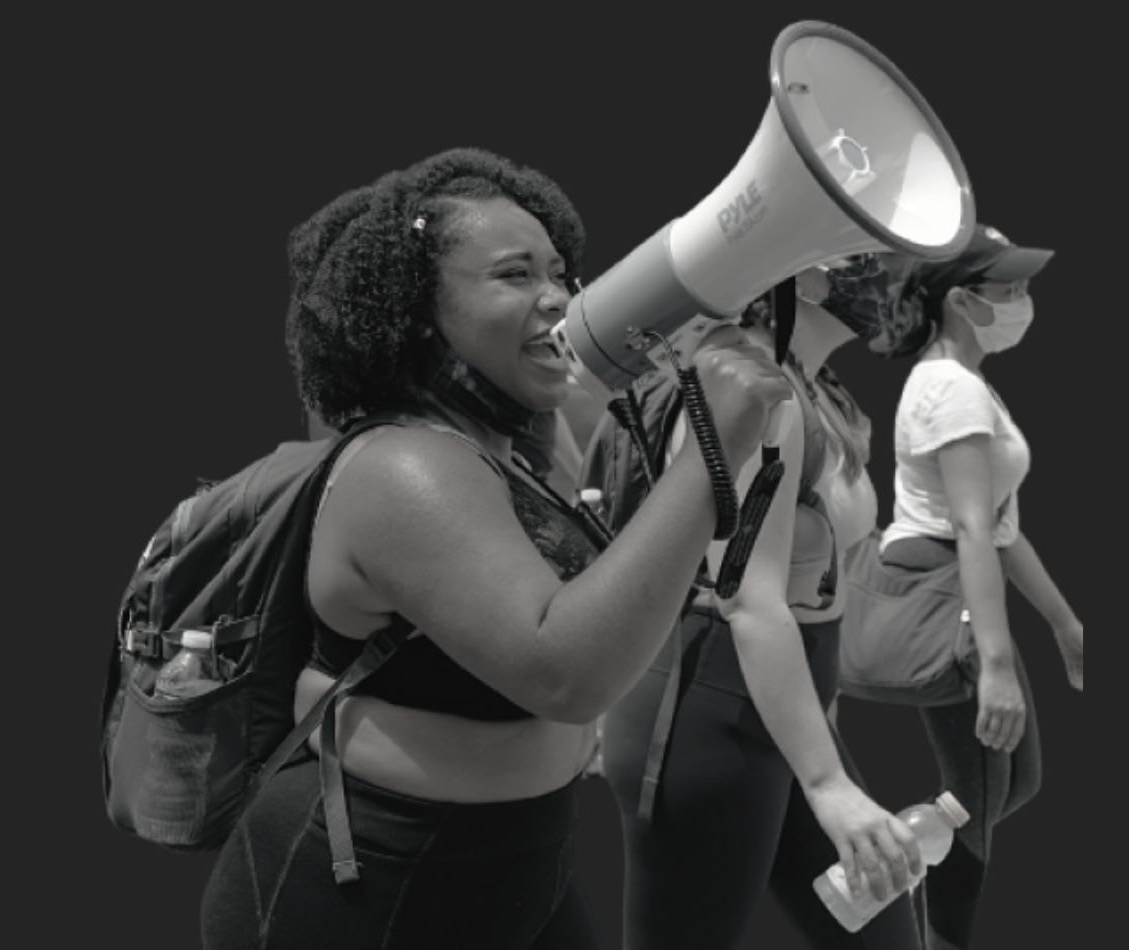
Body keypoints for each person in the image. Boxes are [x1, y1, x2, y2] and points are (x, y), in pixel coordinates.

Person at [197, 147, 794, 949]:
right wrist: (711, 449)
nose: (560, 298)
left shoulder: (505, 446)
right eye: (515, 275)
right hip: (371, 888)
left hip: (520, 863)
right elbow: (566, 672)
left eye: (561, 272)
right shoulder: (403, 467)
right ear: (417, 315)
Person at [594, 257, 929, 949]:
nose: (903, 278)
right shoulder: (748, 388)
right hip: (704, 713)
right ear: (801, 275)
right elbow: (749, 599)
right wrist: (828, 783)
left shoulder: (815, 387)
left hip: (775, 706)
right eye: (875, 257)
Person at [856, 225, 1084, 949]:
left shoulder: (964, 382)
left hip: (963, 583)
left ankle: (885, 852)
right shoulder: (951, 388)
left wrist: (1061, 620)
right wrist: (994, 667)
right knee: (981, 803)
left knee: (1015, 785)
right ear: (960, 300)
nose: (1022, 300)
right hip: (947, 595)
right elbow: (971, 528)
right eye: (1006, 289)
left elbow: (1000, 528)